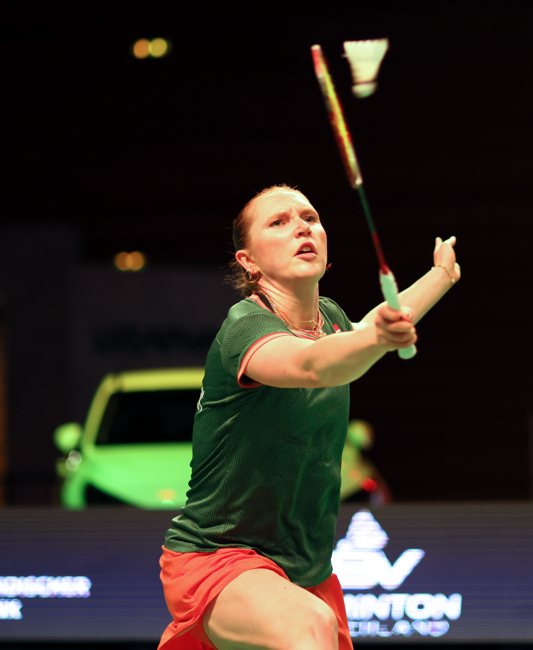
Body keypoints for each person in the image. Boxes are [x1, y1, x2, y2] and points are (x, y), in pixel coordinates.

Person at [157, 184, 460, 650]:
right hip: (220, 555)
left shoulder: (331, 318)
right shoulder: (246, 327)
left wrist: (439, 277)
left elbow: (357, 335)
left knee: (311, 624)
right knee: (309, 629)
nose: (302, 226)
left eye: (310, 218)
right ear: (248, 261)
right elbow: (313, 365)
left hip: (306, 569)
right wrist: (377, 340)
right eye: (279, 222)